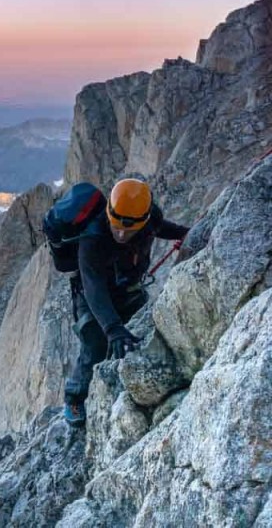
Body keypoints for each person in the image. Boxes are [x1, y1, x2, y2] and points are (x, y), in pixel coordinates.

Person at [63, 178, 189, 426]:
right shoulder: (92, 236)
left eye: (127, 231)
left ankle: (123, 379)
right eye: (116, 227)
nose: (120, 234)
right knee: (94, 342)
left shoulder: (150, 219)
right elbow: (93, 286)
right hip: (91, 295)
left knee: (137, 336)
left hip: (128, 289)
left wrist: (185, 233)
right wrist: (112, 328)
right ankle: (74, 397)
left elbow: (160, 227)